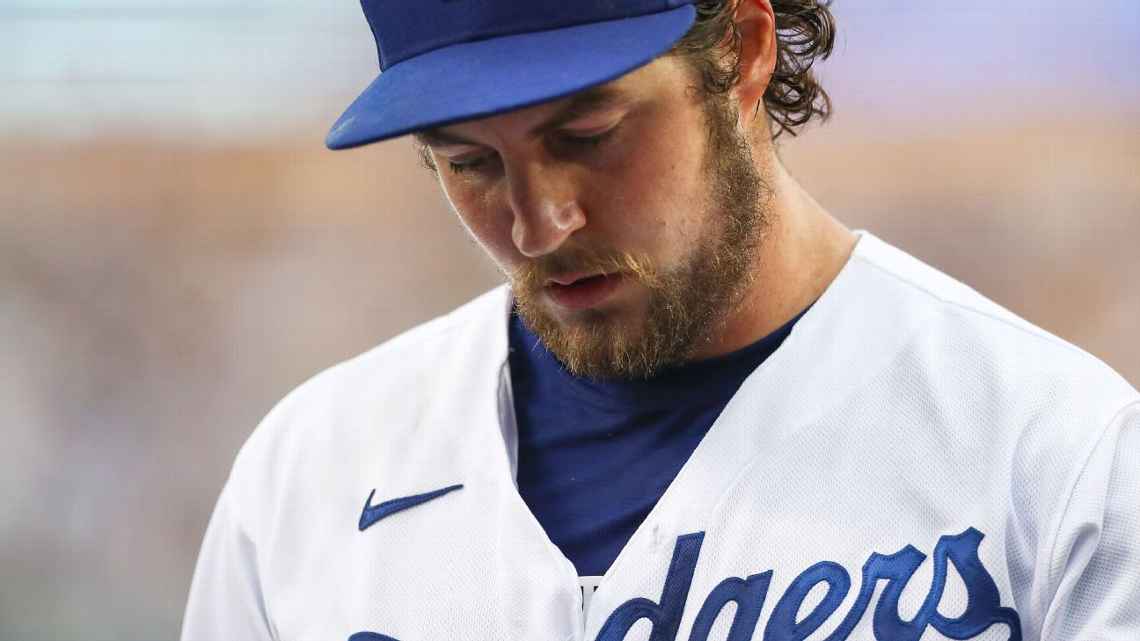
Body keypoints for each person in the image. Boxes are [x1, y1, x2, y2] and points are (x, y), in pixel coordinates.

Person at [182, 1, 1140, 639]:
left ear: (743, 52)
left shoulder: (1053, 454)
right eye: (469, 162)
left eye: (588, 136)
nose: (538, 223)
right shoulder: (307, 475)